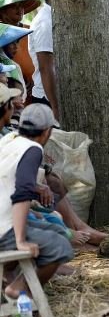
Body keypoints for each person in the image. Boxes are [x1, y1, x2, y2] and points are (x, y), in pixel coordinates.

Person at [0, 104, 74, 299]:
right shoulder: (33, 149)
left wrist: (36, 186)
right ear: (47, 132)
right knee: (60, 247)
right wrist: (20, 240)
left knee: (58, 230)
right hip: (3, 228)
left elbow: (10, 177)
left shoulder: (9, 139)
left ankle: (9, 278)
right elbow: (22, 193)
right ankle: (21, 289)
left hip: (4, 219)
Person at [28, 0, 60, 122]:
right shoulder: (45, 22)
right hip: (47, 98)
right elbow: (46, 67)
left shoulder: (54, 18)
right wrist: (55, 106)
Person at [0, 0, 40, 101]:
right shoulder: (0, 34)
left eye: (21, 6)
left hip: (37, 89)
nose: (19, 10)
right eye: (14, 6)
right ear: (2, 11)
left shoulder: (31, 30)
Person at [0, 23, 31, 100]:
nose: (16, 47)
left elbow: (22, 98)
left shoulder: (15, 66)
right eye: (11, 42)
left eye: (17, 42)